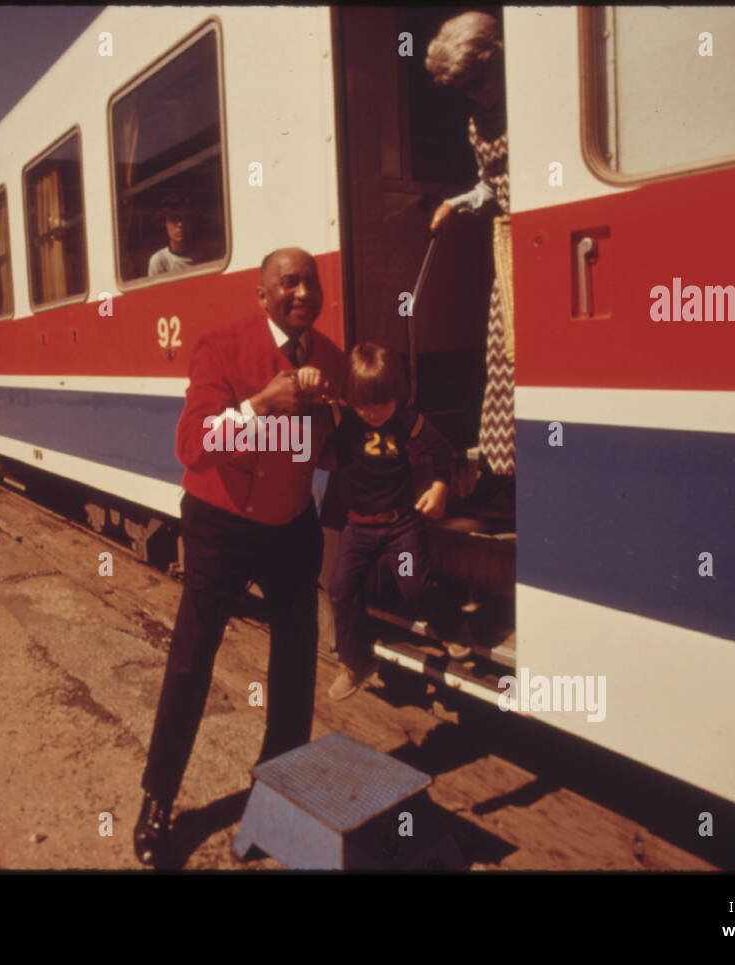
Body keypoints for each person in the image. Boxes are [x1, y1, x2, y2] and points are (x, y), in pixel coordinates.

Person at [134, 247, 347, 867]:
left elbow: (333, 448)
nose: (303, 292)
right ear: (262, 295)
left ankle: (277, 803)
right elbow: (192, 445)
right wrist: (260, 405)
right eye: (289, 283)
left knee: (294, 668)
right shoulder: (222, 346)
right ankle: (158, 803)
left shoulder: (329, 358)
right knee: (190, 663)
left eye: (311, 282)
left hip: (290, 526)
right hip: (220, 524)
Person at [298, 344, 456, 699]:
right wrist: (309, 389)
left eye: (381, 403)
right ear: (349, 398)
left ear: (396, 396)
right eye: (363, 404)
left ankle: (453, 628)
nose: (372, 413)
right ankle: (357, 663)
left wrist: (440, 487)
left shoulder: (406, 419)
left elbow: (442, 449)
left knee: (414, 586)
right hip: (358, 527)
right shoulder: (340, 417)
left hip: (401, 525)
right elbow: (303, 434)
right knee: (339, 590)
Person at [426, 11, 515, 510]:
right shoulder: (477, 122)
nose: (478, 93)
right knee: (505, 356)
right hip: (513, 248)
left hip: (543, 233)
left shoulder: (529, 97)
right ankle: (509, 475)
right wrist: (456, 204)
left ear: (497, 55)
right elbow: (490, 186)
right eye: (466, 88)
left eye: (479, 81)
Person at [148, 193, 198, 276]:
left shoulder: (203, 256)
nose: (180, 224)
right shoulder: (159, 261)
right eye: (173, 219)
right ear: (165, 224)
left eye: (184, 218)